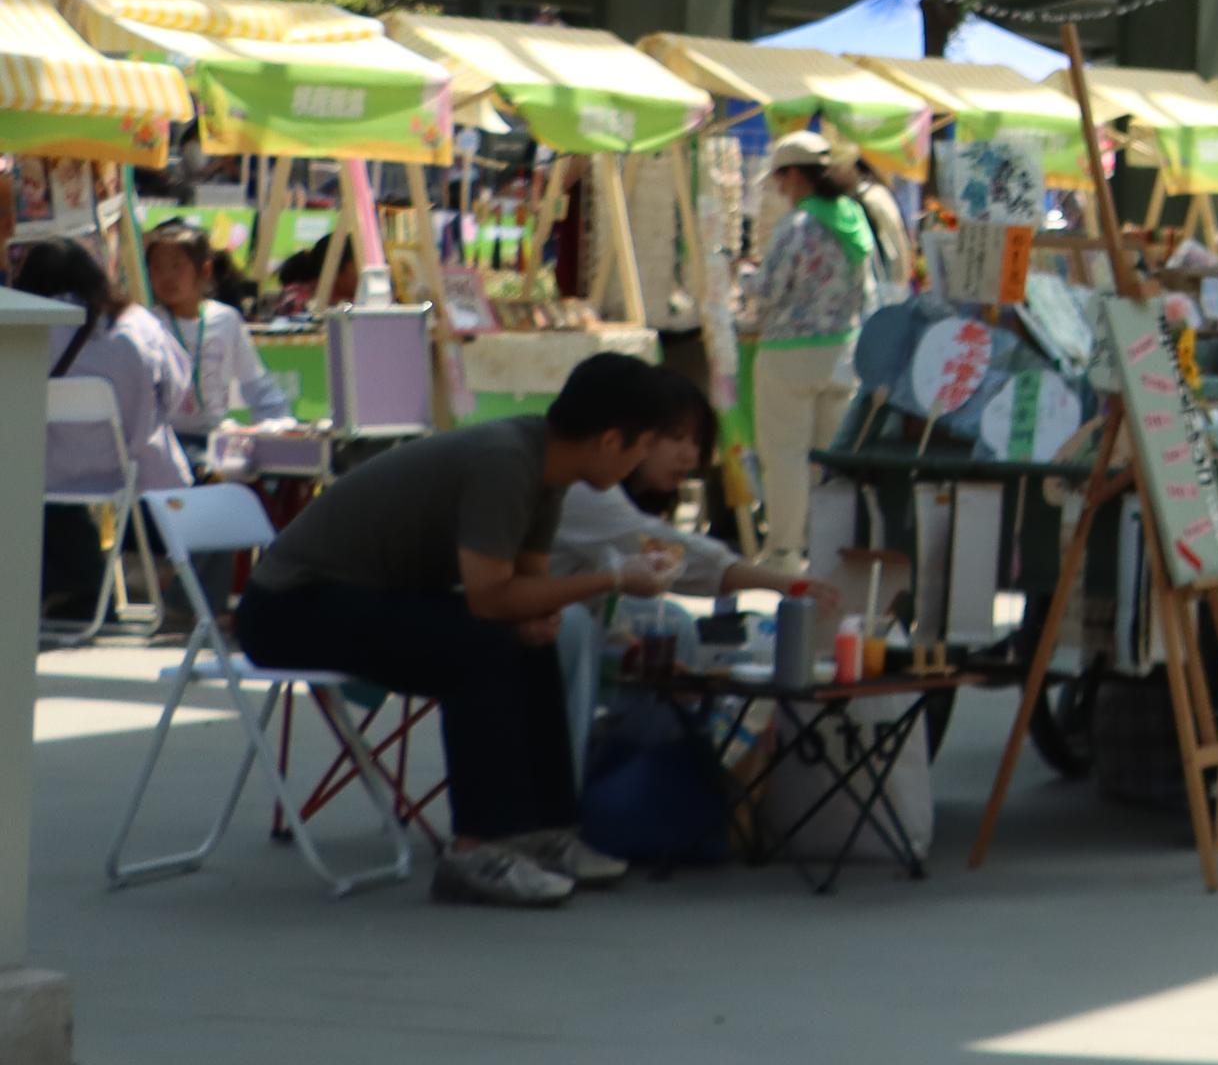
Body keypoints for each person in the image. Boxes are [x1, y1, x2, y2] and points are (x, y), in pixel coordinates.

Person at [237, 351, 688, 906]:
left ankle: (543, 830)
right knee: (482, 643)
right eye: (644, 446)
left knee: (530, 641)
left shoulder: (549, 469)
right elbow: (491, 596)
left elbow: (526, 584)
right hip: (290, 606)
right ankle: (477, 850)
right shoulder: (506, 461)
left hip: (364, 596)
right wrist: (613, 578)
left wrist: (542, 615)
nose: (640, 463)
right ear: (612, 440)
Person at [734, 131, 892, 565]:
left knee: (784, 456)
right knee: (830, 463)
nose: (779, 187)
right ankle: (828, 551)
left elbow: (768, 290)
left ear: (794, 176)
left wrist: (744, 276)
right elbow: (870, 290)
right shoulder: (853, 218)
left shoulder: (798, 225)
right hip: (843, 354)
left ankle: (784, 550)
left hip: (788, 355)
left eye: (779, 178)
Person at [16, 240, 189, 629]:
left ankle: (74, 592)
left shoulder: (26, 329)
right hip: (127, 465)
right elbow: (176, 387)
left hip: (46, 472)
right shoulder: (138, 324)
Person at [553, 381, 818, 601]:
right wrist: (784, 583)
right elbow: (674, 552)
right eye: (676, 438)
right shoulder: (586, 489)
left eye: (697, 443)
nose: (690, 456)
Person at [141, 217, 253, 441]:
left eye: (177, 266)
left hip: (216, 436)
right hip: (166, 440)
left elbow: (254, 381)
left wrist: (278, 423)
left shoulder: (226, 319)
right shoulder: (147, 324)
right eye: (157, 268)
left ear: (205, 270)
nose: (166, 277)